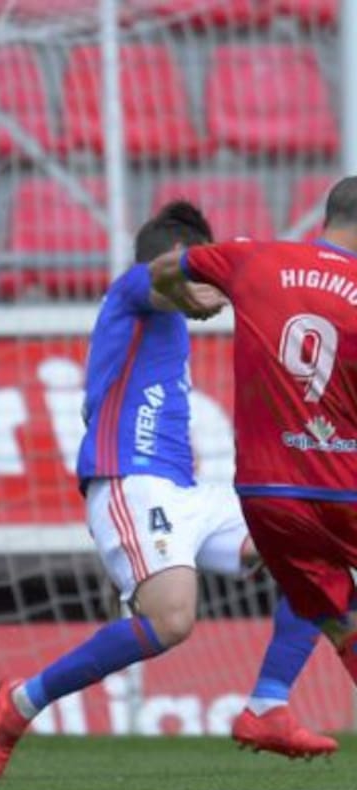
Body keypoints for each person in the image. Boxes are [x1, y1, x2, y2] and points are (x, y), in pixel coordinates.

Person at [0, 201, 335, 781]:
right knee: (172, 620)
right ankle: (22, 702)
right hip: (130, 480)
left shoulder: (166, 327)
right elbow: (162, 282)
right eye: (204, 267)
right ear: (177, 259)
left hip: (184, 492)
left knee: (316, 547)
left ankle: (268, 705)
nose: (214, 282)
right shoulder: (131, 292)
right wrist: (209, 278)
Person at [148, 175, 357, 686]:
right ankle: (267, 703)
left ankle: (266, 707)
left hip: (267, 500)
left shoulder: (254, 257)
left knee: (339, 618)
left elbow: (162, 268)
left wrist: (186, 299)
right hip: (344, 488)